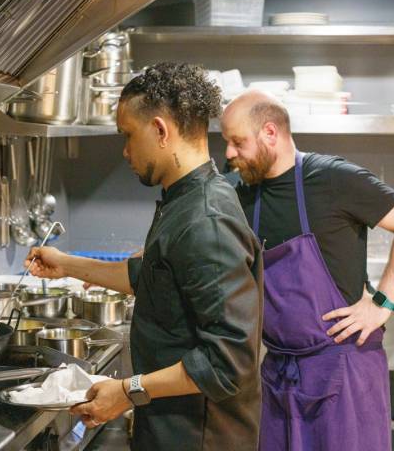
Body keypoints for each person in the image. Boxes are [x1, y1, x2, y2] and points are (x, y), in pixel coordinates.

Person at [25, 62, 263, 450]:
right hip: (173, 429)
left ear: (159, 130)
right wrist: (65, 264)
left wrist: (127, 391)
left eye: (128, 135)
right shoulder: (183, 200)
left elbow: (227, 363)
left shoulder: (206, 219)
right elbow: (149, 277)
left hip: (201, 437)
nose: (124, 150)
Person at [220, 89, 394, 450]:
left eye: (237, 142)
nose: (228, 153)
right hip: (279, 375)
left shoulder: (332, 178)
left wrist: (381, 303)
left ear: (270, 133)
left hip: (343, 372)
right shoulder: (244, 197)